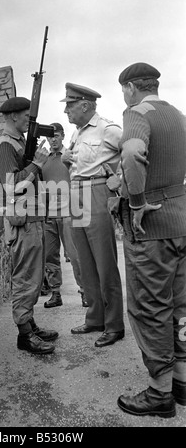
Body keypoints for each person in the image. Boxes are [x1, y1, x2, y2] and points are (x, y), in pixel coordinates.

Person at [115, 62, 186, 418]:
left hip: (152, 229)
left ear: (130, 88)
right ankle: (182, 381)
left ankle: (160, 393)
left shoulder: (136, 113)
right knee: (182, 305)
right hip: (182, 222)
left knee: (150, 308)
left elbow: (130, 153)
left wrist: (138, 202)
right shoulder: (178, 114)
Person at [60, 82, 125, 347]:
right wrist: (66, 159)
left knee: (105, 263)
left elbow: (135, 151)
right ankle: (95, 317)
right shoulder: (76, 133)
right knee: (84, 262)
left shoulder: (108, 129)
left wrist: (120, 179)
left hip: (97, 193)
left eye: (70, 105)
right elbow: (78, 163)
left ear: (85, 105)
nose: (66, 111)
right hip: (77, 194)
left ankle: (114, 325)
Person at [0, 96, 59, 354]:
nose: (29, 122)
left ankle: (29, 324)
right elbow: (12, 185)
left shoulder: (19, 142)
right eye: (26, 117)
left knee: (34, 276)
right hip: (23, 220)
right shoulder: (4, 146)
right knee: (25, 279)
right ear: (12, 117)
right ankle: (24, 335)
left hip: (33, 216)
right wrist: (36, 164)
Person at [41, 122, 87, 309]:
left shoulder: (70, 156)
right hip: (49, 214)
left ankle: (85, 292)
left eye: (56, 136)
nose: (53, 139)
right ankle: (55, 293)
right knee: (50, 256)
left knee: (75, 254)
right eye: (50, 137)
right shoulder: (42, 160)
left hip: (69, 212)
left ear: (62, 136)